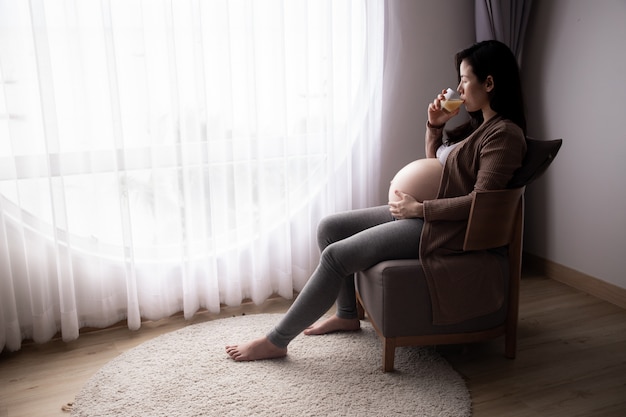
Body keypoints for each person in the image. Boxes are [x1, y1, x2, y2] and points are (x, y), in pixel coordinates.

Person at [225, 39, 527, 361]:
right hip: (424, 216)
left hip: (444, 229)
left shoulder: (504, 136)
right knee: (330, 227)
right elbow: (438, 170)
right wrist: (435, 127)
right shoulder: (478, 128)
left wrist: (419, 208)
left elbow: (480, 204)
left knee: (336, 256)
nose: (459, 88)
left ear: (490, 83)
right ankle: (347, 314)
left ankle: (277, 340)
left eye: (465, 80)